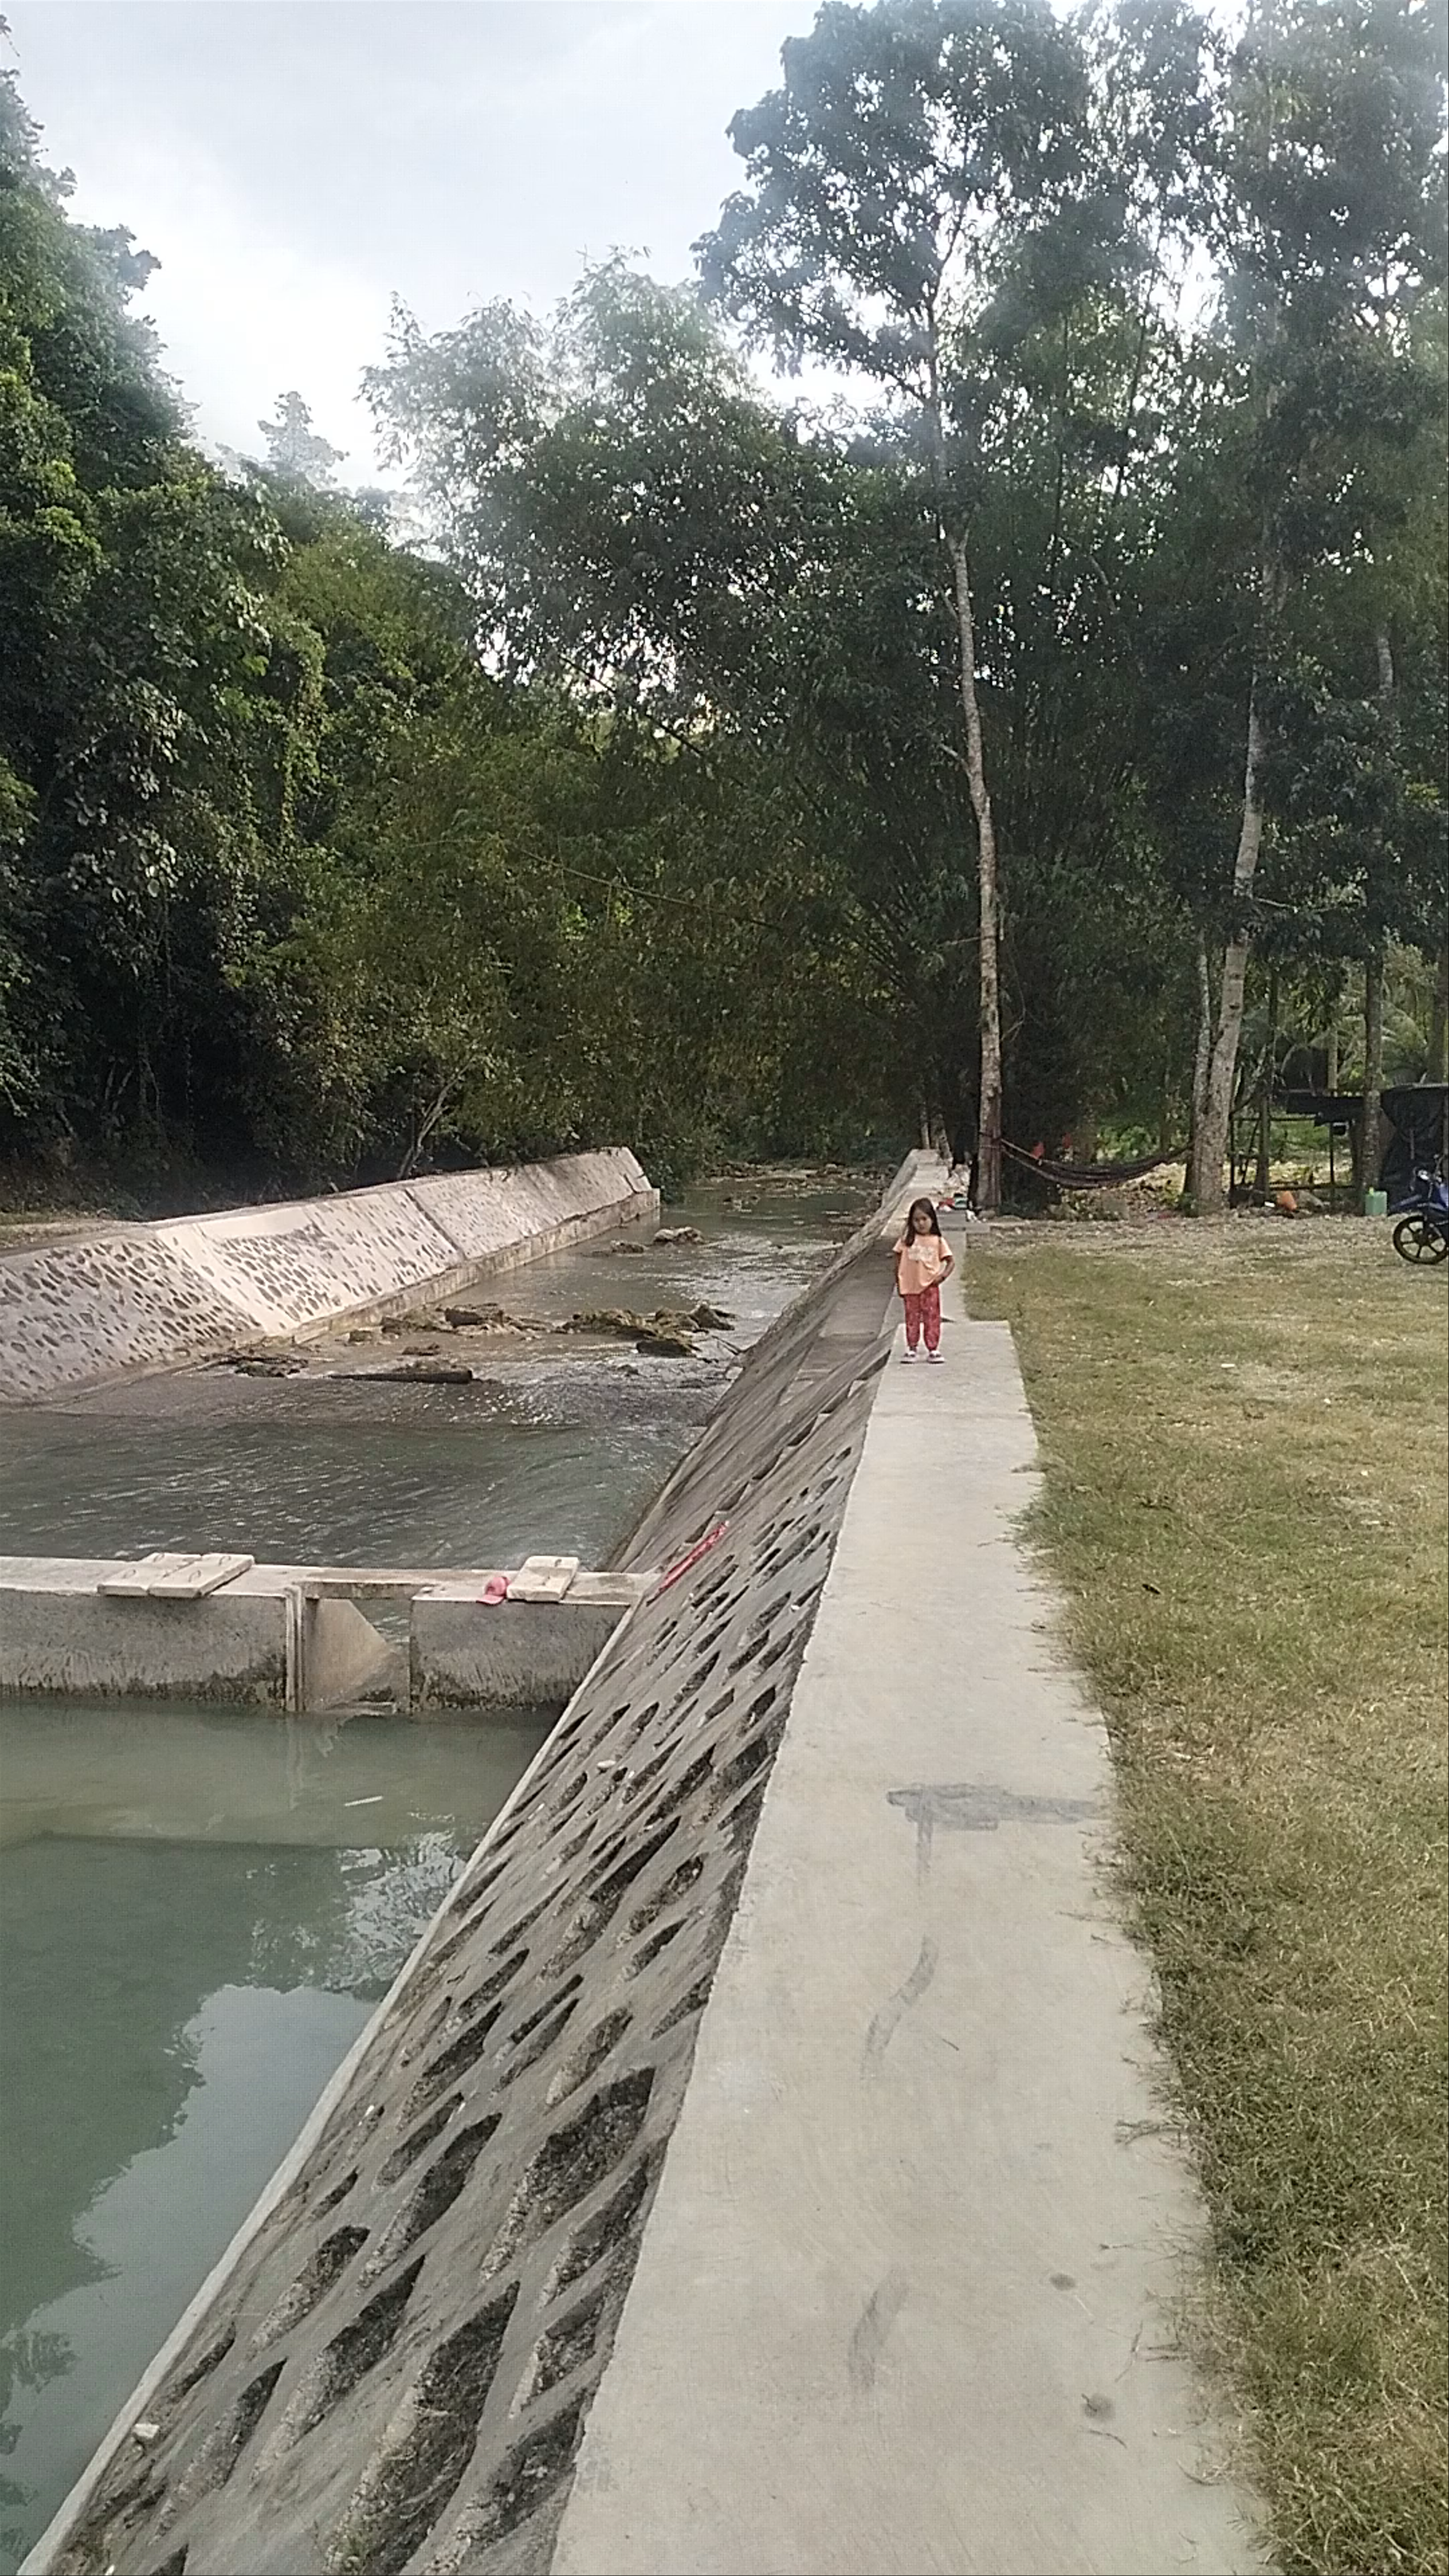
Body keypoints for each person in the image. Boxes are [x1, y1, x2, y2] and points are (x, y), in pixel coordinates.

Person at [893, 1196, 954, 1364]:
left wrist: (943, 1276)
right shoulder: (907, 1241)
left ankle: (933, 1348)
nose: (921, 1224)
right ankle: (912, 1347)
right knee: (912, 1318)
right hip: (910, 1286)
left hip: (930, 1286)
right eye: (916, 1220)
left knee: (932, 1317)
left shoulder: (938, 1241)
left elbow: (950, 1261)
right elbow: (897, 1258)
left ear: (932, 1220)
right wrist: (899, 1280)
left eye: (924, 1219)